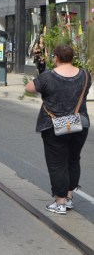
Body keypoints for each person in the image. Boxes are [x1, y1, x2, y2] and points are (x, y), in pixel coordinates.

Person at [25, 44, 90, 215]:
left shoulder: (48, 76)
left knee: (57, 163)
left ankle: (60, 202)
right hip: (79, 124)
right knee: (73, 160)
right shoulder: (85, 75)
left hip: (55, 125)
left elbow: (29, 88)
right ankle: (68, 198)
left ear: (56, 58)